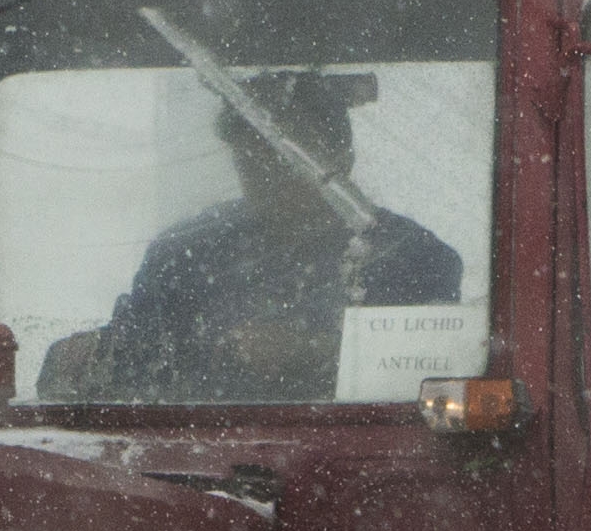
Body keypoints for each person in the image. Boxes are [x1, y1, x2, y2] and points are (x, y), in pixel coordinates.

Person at [76, 70, 458, 403]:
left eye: (286, 161)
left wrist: (316, 353)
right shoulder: (184, 253)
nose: (267, 180)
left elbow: (429, 378)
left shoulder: (412, 257)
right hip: (199, 456)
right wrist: (86, 359)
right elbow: (131, 373)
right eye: (249, 162)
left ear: (342, 158)